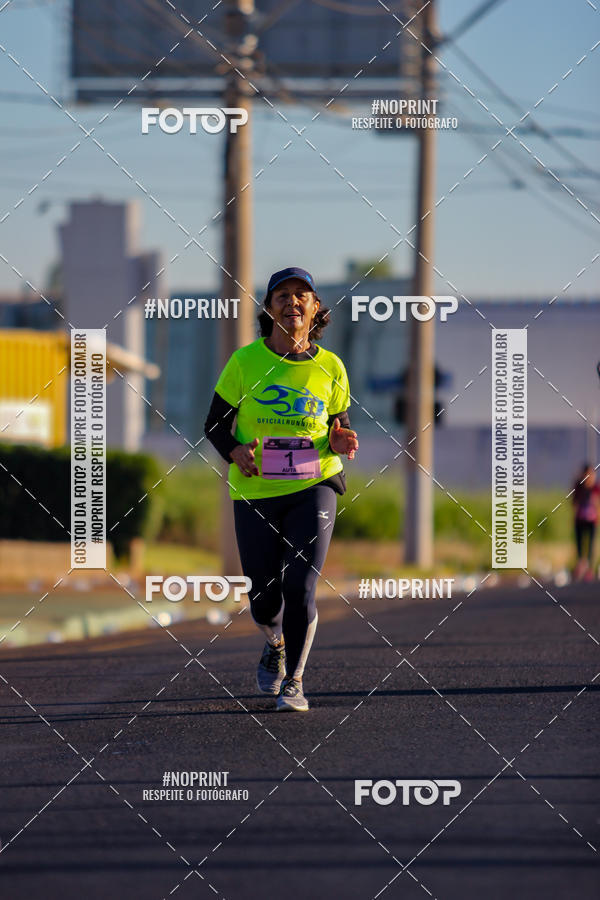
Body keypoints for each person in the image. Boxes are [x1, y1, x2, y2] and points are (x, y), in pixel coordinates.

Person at [204, 267, 358, 711]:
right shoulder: (245, 362)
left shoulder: (330, 367)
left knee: (301, 584)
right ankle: (275, 643)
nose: (293, 302)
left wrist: (342, 439)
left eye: (302, 296)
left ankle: (295, 680)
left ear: (315, 310)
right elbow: (213, 425)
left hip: (315, 483)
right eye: (283, 296)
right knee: (263, 596)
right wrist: (235, 451)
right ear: (269, 309)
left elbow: (339, 426)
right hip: (256, 489)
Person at [572, 463, 600, 580]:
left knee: (590, 545)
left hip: (592, 520)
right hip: (579, 519)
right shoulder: (578, 486)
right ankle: (581, 566)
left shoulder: (596, 488)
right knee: (579, 544)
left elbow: (598, 504)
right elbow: (574, 503)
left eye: (591, 474)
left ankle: (589, 569)